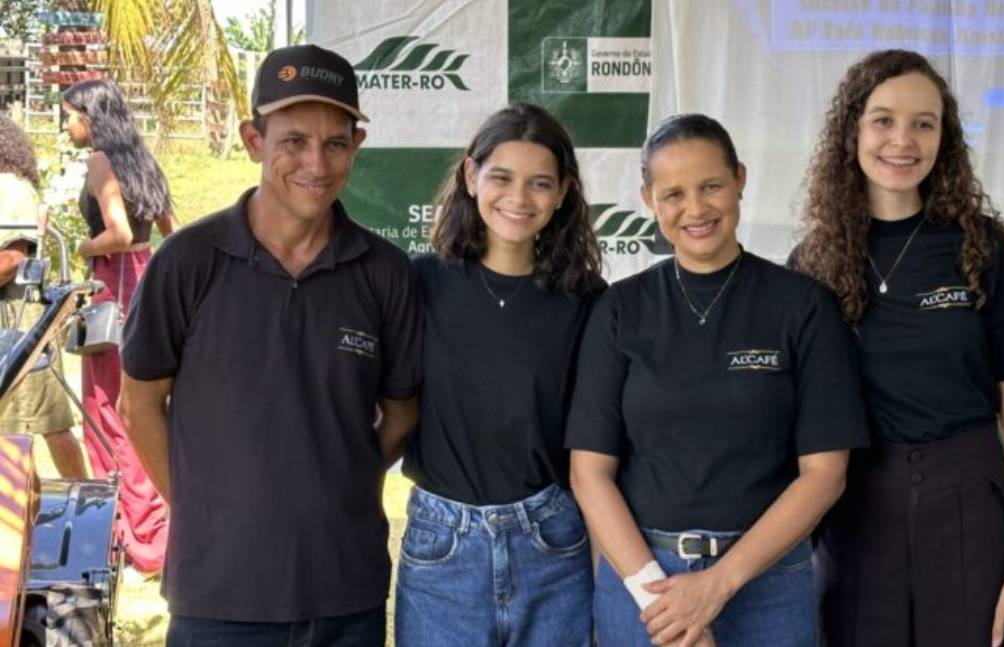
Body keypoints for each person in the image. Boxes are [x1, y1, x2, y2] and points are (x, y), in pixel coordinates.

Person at [119, 44, 422, 646]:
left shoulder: (385, 271)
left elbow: (403, 411)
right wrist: (205, 506)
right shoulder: (187, 261)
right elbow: (139, 405)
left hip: (345, 591)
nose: (316, 162)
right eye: (293, 140)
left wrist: (341, 475)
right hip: (220, 594)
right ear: (254, 140)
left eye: (335, 142)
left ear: (356, 146)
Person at [567, 114, 869, 647]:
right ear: (648, 199)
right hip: (644, 588)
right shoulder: (620, 310)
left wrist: (715, 586)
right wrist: (659, 599)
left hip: (768, 583)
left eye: (711, 186)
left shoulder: (802, 307)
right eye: (674, 193)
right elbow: (589, 473)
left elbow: (825, 474)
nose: (696, 209)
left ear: (740, 180)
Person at [791, 49, 1004, 647]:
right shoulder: (812, 264)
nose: (902, 140)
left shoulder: (980, 247)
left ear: (945, 137)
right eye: (883, 120)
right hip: (854, 510)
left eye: (924, 123)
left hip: (970, 502)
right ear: (852, 130)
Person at [393, 102, 606, 646]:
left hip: (552, 542)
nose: (518, 198)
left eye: (540, 183)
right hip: (443, 547)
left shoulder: (587, 303)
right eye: (502, 177)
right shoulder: (419, 285)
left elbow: (600, 447)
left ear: (562, 193)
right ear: (471, 175)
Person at [61, 78, 174, 574]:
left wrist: (80, 246)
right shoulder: (142, 160)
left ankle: (135, 542)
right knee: (147, 411)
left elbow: (119, 232)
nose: (67, 125)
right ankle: (160, 535)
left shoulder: (101, 162)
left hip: (114, 291)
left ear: (91, 116)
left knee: (109, 413)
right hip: (147, 283)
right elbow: (173, 231)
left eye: (71, 115)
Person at [0, 113, 88, 479]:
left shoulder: (11, 188)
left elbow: (13, 257)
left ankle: (88, 502)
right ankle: (21, 518)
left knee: (49, 422)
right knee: (8, 433)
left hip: (23, 322)